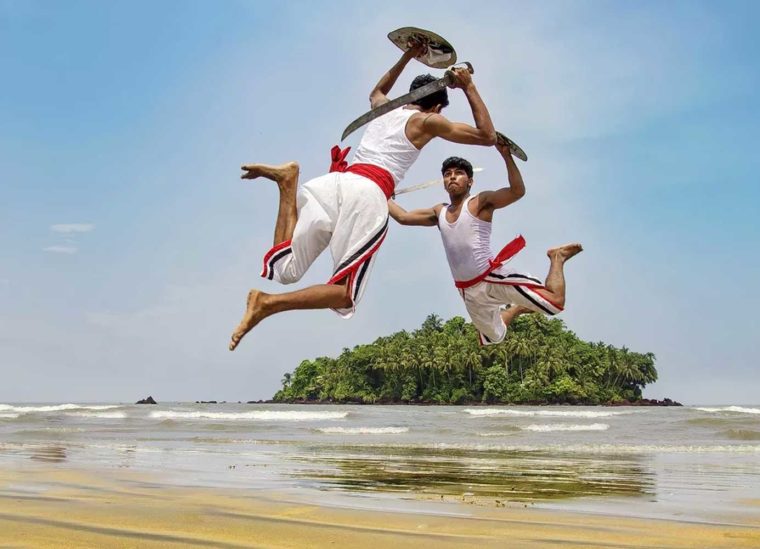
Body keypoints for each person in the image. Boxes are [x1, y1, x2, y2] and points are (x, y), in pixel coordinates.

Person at [229, 42, 497, 350]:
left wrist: (408, 55)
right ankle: (266, 304)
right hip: (367, 196)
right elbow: (486, 136)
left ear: (410, 96)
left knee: (284, 270)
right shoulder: (428, 120)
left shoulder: (387, 108)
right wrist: (469, 86)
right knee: (345, 294)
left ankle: (287, 182)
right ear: (436, 107)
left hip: (336, 183)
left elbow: (377, 92)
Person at [387, 142, 583, 346]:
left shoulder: (480, 202)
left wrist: (506, 156)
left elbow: (517, 191)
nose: (452, 176)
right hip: (468, 291)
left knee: (555, 303)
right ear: (444, 182)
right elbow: (403, 217)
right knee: (493, 337)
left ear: (470, 181)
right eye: (447, 174)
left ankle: (557, 257)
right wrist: (383, 195)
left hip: (491, 278)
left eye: (458, 173)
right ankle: (517, 308)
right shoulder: (439, 212)